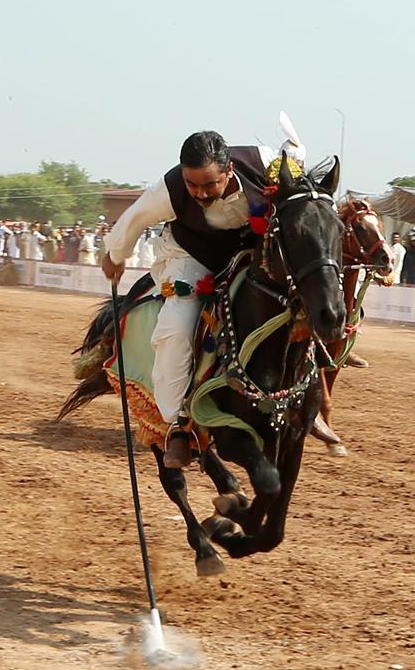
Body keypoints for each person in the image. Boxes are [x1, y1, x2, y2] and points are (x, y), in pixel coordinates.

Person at [101, 126, 313, 467]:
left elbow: (297, 164)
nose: (199, 193)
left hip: (249, 254)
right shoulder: (169, 188)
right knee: (177, 325)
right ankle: (178, 425)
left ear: (229, 170)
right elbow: (134, 218)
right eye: (192, 185)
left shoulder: (265, 164)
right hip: (191, 257)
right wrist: (115, 254)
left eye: (209, 184)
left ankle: (310, 395)